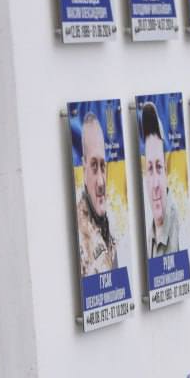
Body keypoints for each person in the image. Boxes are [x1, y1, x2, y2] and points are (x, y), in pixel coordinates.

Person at [76, 112, 122, 276]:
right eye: (94, 166)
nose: (101, 182)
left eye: (103, 166)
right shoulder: (80, 237)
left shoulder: (108, 230)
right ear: (84, 169)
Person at [140, 103, 182, 259]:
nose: (155, 184)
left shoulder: (179, 230)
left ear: (167, 173)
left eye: (159, 167)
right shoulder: (150, 235)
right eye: (150, 169)